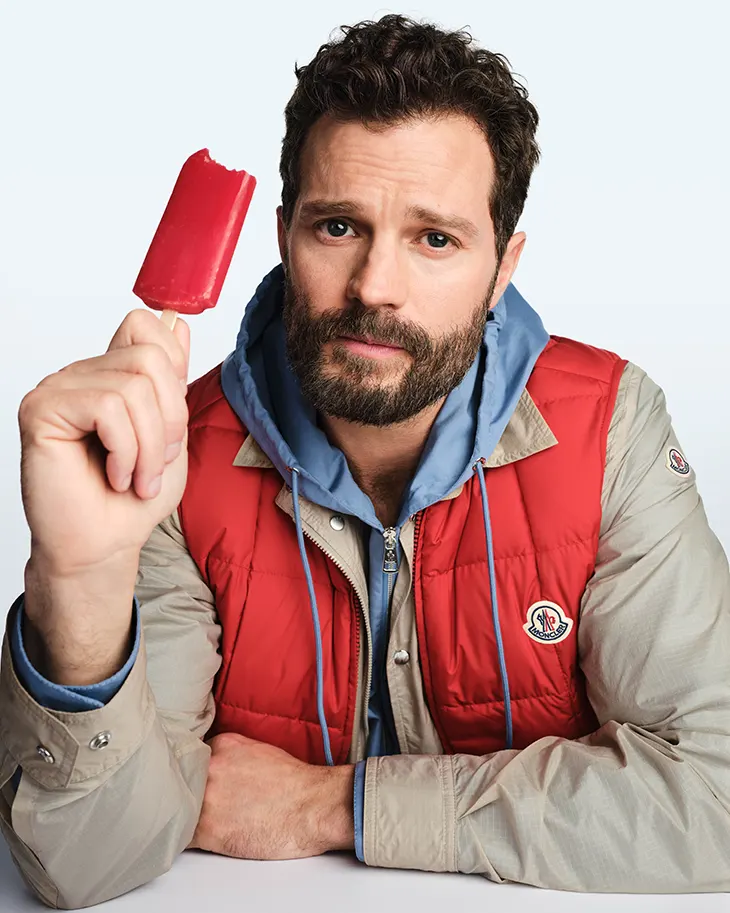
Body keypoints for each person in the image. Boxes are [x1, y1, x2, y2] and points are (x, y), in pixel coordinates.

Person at [1, 13, 729, 909]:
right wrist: (78, 579)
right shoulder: (168, 460)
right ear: (281, 235)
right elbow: (85, 863)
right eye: (339, 226)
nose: (376, 286)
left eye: (436, 239)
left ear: (503, 266)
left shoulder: (609, 429)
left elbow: (714, 794)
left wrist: (334, 805)